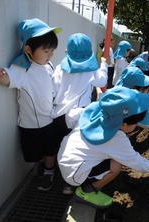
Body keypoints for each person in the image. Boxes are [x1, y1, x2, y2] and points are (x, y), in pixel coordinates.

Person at [57, 87, 149, 208]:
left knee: (108, 157)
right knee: (116, 166)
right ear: (124, 124)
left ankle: (75, 181)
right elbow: (137, 162)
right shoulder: (116, 139)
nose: (137, 126)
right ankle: (87, 191)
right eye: (135, 123)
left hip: (65, 157)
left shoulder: (95, 110)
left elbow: (69, 118)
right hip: (74, 174)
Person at [0, 18, 61, 191]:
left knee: (50, 149)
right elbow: (8, 78)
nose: (50, 55)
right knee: (33, 153)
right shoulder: (22, 68)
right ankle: (43, 166)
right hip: (31, 125)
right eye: (46, 50)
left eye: (52, 50)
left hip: (50, 119)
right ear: (28, 49)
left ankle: (49, 173)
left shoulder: (48, 64)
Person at [51, 33, 109, 194]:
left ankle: (55, 175)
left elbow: (53, 90)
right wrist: (104, 64)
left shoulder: (59, 68)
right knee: (73, 151)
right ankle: (68, 184)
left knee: (59, 148)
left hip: (59, 116)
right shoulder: (92, 70)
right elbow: (102, 81)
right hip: (79, 118)